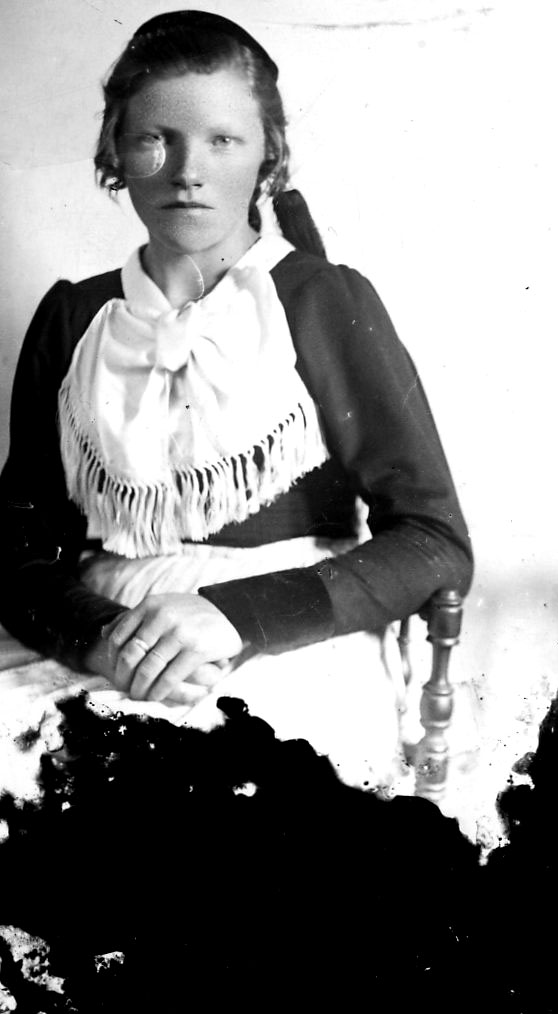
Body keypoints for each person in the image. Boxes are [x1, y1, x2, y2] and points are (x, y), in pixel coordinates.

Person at [0, 11, 472, 788]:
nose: (188, 171)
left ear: (268, 156)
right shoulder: (75, 319)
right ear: (116, 151)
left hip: (289, 635)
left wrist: (233, 615)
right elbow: (15, 545)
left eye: (223, 140)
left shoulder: (322, 303)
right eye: (155, 138)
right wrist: (100, 637)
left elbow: (434, 541)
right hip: (105, 640)